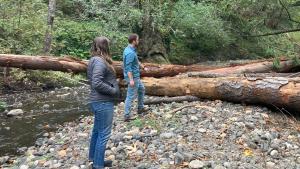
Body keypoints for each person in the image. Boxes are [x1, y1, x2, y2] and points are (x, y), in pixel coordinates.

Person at [87, 36, 119, 169]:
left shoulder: (94, 60)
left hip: (98, 101)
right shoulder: (100, 61)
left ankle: (94, 159)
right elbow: (97, 82)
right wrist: (113, 90)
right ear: (104, 46)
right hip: (103, 102)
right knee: (104, 134)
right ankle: (98, 165)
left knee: (97, 131)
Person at [123, 33, 148, 122]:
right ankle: (126, 115)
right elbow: (128, 68)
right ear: (134, 41)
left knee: (141, 89)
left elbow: (135, 60)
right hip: (133, 77)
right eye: (137, 39)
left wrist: (142, 66)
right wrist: (131, 80)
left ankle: (140, 108)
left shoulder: (130, 49)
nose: (138, 41)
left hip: (135, 76)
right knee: (130, 96)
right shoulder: (129, 53)